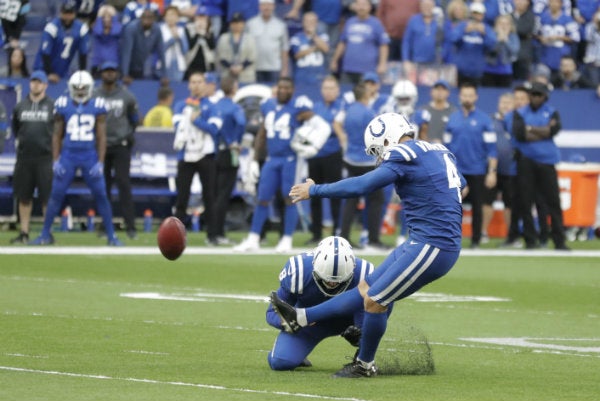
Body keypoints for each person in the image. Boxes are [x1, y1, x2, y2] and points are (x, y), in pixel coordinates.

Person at [271, 112, 466, 378]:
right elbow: (461, 186)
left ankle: (364, 365)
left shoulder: (403, 153)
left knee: (375, 301)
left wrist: (314, 191)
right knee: (366, 288)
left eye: (378, 149)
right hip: (423, 239)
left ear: (388, 138)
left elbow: (363, 185)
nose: (379, 157)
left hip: (433, 244)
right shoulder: (438, 150)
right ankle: (302, 317)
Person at [29, 70, 123, 246]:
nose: (80, 91)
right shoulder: (63, 104)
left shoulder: (98, 105)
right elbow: (57, 135)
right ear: (70, 88)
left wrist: (100, 162)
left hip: (89, 156)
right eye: (77, 88)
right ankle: (44, 235)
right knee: (55, 195)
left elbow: (101, 136)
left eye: (83, 88)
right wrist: (56, 160)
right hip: (68, 155)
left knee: (101, 195)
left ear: (90, 88)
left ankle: (112, 236)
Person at [234, 76, 324, 253]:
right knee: (262, 197)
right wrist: (254, 158)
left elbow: (319, 125)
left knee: (289, 198)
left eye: (287, 88)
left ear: (293, 90)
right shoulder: (268, 105)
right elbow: (263, 132)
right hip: (271, 159)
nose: (283, 90)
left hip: (290, 159)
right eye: (280, 87)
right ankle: (253, 238)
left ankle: (286, 238)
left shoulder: (299, 107)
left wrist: (313, 144)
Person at [267, 236, 375, 370]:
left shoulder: (364, 273)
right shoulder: (299, 271)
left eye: (338, 281)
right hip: (310, 322)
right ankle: (296, 353)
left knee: (380, 297)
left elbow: (372, 309)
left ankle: (363, 359)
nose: (332, 284)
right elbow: (272, 312)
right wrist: (290, 323)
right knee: (280, 362)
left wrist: (362, 332)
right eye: (327, 280)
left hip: (348, 321)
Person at [511, 81, 569, 250]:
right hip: (526, 161)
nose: (535, 98)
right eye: (533, 94)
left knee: (553, 202)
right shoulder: (519, 113)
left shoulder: (551, 111)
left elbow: (554, 130)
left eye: (539, 95)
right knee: (525, 201)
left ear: (545, 97)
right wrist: (543, 131)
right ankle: (530, 240)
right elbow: (520, 134)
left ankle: (559, 240)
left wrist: (531, 129)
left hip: (547, 161)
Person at [444, 82, 498, 249]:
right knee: (452, 207)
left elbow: (492, 149)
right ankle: (452, 240)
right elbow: (446, 149)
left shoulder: (485, 120)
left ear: (476, 97)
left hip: (477, 170)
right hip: (456, 171)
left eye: (470, 95)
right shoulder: (452, 119)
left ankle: (476, 240)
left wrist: (492, 172)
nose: (467, 98)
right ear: (460, 97)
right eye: (464, 95)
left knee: (478, 207)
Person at [333, 81, 385, 249]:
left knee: (351, 199)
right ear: (365, 95)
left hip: (350, 159)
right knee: (376, 199)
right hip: (368, 161)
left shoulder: (349, 111)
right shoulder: (369, 112)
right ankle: (373, 238)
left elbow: (339, 126)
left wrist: (343, 139)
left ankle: (344, 236)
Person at [172, 71, 222, 244]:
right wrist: (193, 120)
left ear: (205, 84)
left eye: (200, 82)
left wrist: (197, 121)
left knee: (209, 196)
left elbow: (215, 130)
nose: (196, 85)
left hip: (205, 155)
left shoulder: (212, 106)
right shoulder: (180, 105)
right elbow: (178, 126)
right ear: (188, 85)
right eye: (193, 82)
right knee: (182, 198)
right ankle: (176, 237)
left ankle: (212, 235)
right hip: (185, 155)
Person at [93, 61, 140, 240]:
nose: (109, 74)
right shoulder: (94, 95)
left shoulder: (127, 96)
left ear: (118, 73)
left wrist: (127, 136)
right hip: (101, 147)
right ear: (101, 73)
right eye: (106, 71)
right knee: (102, 187)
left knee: (123, 184)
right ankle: (105, 226)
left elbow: (135, 119)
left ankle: (130, 226)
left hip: (120, 146)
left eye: (112, 70)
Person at [10, 71, 55, 244]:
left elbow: (58, 130)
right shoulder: (20, 106)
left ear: (45, 85)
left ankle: (46, 232)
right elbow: (16, 129)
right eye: (33, 81)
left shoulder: (52, 106)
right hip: (24, 157)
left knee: (46, 197)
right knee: (24, 196)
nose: (35, 85)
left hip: (45, 158)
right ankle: (24, 232)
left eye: (39, 82)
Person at [305, 75, 344, 245]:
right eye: (325, 88)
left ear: (337, 90)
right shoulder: (315, 107)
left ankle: (337, 232)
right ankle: (316, 233)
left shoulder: (342, 107)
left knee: (336, 193)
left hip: (333, 154)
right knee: (313, 194)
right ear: (321, 91)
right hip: (316, 154)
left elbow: (337, 129)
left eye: (331, 88)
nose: (328, 92)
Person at [213, 76, 246, 245]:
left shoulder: (216, 106)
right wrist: (235, 141)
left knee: (216, 193)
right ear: (234, 87)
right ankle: (219, 234)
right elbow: (241, 122)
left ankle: (213, 233)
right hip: (229, 152)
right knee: (224, 195)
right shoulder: (235, 108)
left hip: (215, 152)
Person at [482, 92, 517, 245]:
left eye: (508, 102)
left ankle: (511, 235)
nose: (505, 105)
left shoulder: (517, 122)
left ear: (514, 105)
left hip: (512, 169)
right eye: (503, 102)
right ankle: (483, 233)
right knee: (487, 201)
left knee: (509, 204)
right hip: (492, 169)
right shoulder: (490, 121)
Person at [330, 0, 389, 84]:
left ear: (370, 7)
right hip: (348, 69)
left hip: (368, 70)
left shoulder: (376, 24)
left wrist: (382, 64)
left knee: (365, 95)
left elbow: (383, 45)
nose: (361, 7)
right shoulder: (349, 22)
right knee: (347, 95)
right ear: (355, 7)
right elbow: (342, 43)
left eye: (364, 5)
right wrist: (335, 60)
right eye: (359, 4)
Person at [33, 0, 89, 83]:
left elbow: (83, 53)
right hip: (43, 68)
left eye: (70, 13)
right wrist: (49, 73)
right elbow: (46, 53)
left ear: (74, 14)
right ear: (60, 13)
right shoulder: (52, 27)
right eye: (65, 13)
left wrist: (82, 74)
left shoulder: (81, 28)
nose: (67, 17)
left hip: (62, 70)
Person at [451, 1, 497, 86]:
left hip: (478, 71)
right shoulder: (462, 26)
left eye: (479, 14)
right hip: (461, 70)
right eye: (474, 13)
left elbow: (492, 45)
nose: (476, 16)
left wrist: (484, 34)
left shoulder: (486, 28)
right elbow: (453, 40)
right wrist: (464, 31)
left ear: (483, 15)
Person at [121, 8, 168, 86]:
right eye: (145, 18)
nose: (147, 21)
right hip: (128, 64)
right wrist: (125, 74)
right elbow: (127, 52)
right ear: (140, 19)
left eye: (150, 19)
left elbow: (161, 52)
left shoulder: (157, 29)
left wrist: (165, 75)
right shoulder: (131, 28)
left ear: (154, 20)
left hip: (141, 65)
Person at [246, 0, 289, 82]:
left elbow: (284, 49)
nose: (267, 8)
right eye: (264, 5)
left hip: (274, 67)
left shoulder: (280, 25)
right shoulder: (251, 24)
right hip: (254, 67)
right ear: (259, 7)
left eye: (269, 5)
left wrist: (284, 70)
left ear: (274, 6)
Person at [290, 11, 330, 87]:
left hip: (319, 75)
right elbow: (297, 55)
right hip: (301, 75)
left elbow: (326, 49)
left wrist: (313, 35)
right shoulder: (296, 37)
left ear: (316, 23)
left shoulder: (323, 36)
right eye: (307, 21)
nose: (310, 23)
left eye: (312, 21)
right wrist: (315, 47)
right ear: (303, 22)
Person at [216, 12, 257, 84]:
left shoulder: (250, 38)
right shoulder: (224, 38)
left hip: (246, 74)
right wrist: (230, 67)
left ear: (243, 24)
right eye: (234, 23)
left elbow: (252, 57)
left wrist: (241, 67)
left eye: (239, 23)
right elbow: (221, 56)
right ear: (230, 24)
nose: (236, 25)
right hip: (228, 73)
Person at [418, 80, 456, 144]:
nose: (439, 92)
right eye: (437, 89)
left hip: (447, 150)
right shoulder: (422, 111)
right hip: (426, 150)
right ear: (431, 92)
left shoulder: (454, 113)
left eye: (443, 89)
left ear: (448, 93)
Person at [184, 6, 216, 80]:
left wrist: (204, 33)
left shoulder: (211, 30)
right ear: (195, 17)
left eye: (203, 17)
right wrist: (197, 32)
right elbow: (189, 46)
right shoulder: (189, 28)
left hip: (206, 64)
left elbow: (212, 46)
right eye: (199, 17)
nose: (201, 20)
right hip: (191, 62)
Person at [90, 4, 122, 78]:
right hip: (97, 65)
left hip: (113, 65)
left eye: (109, 17)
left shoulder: (117, 29)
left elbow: (116, 31)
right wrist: (99, 16)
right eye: (104, 17)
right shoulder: (96, 29)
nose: (107, 19)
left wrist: (114, 17)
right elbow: (98, 31)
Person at [161, 6, 190, 82]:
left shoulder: (181, 30)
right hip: (163, 65)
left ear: (178, 18)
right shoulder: (160, 29)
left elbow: (185, 50)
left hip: (179, 66)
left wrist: (179, 39)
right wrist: (173, 39)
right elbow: (160, 49)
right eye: (169, 15)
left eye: (174, 15)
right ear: (164, 17)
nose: (171, 17)